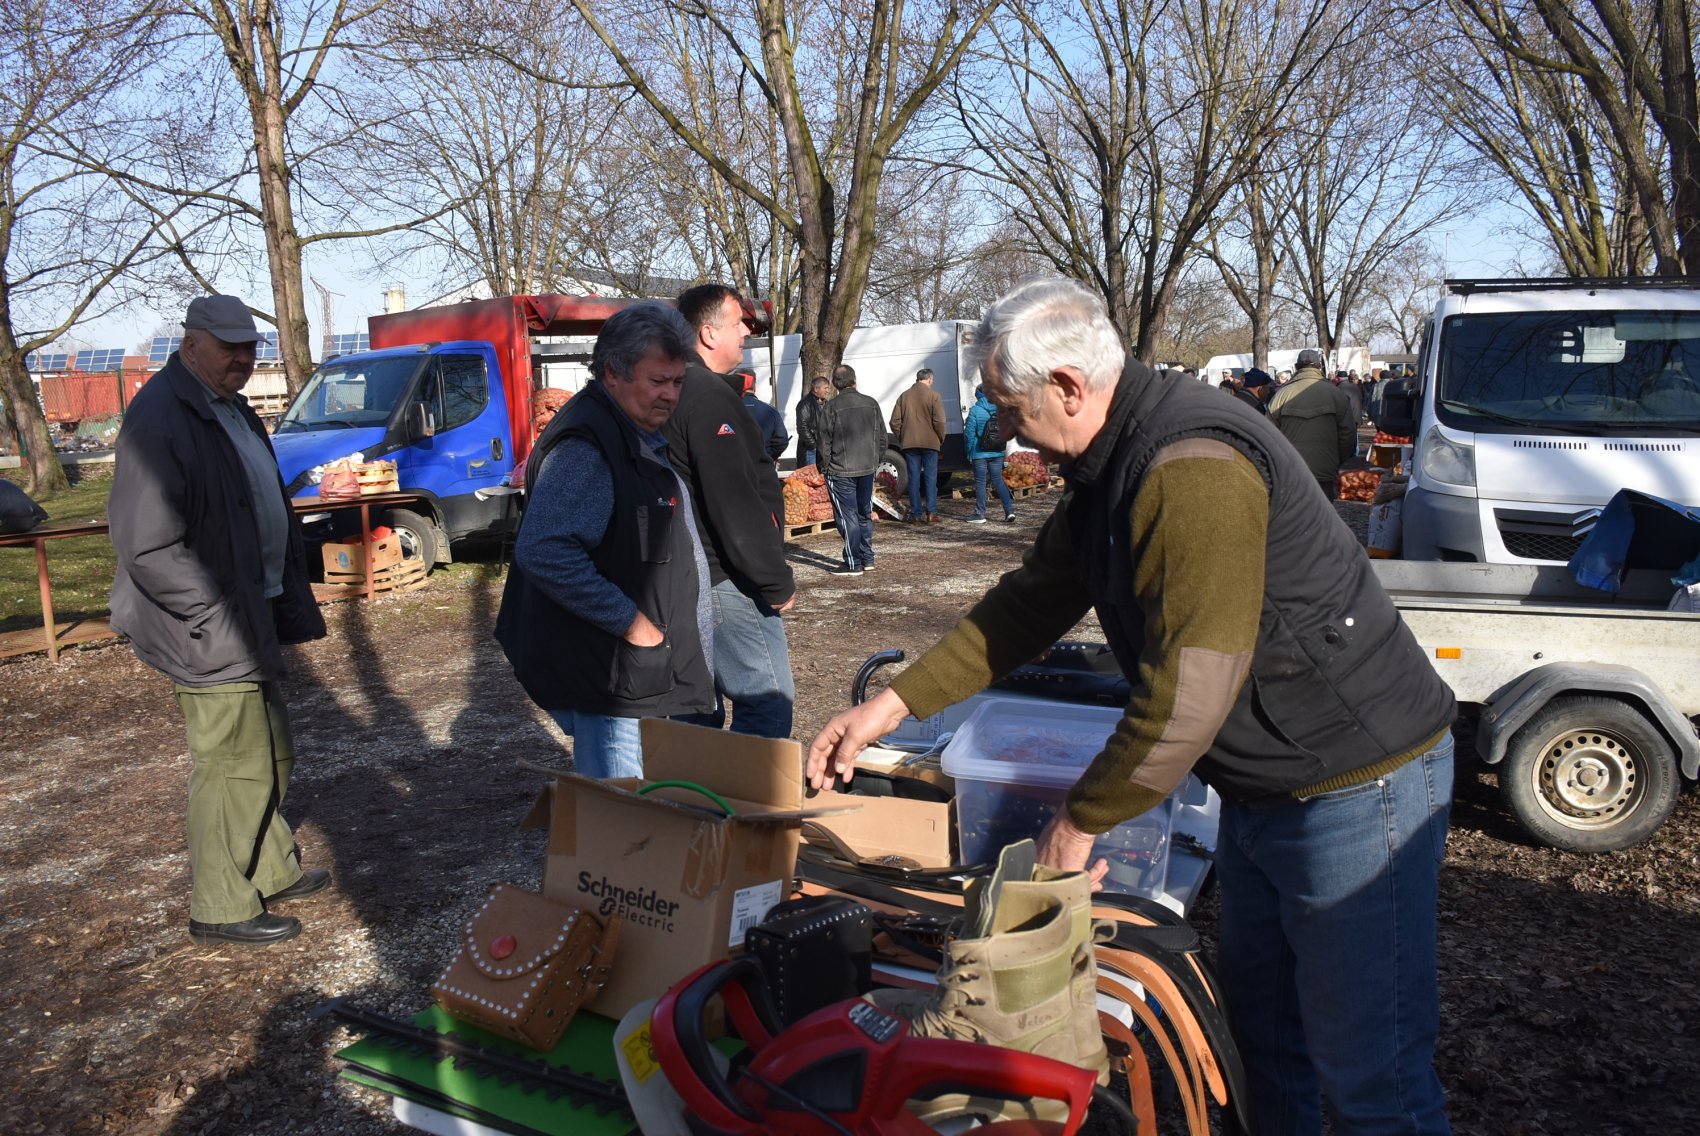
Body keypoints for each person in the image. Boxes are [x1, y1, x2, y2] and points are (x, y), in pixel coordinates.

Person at [806, 278, 1458, 1136]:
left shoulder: (1190, 471)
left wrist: (1075, 827)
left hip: (1353, 781)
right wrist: (891, 706)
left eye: (1009, 404)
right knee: (1268, 1038)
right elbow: (1028, 603)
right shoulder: (1108, 461)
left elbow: (1185, 700)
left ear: (1070, 387)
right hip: (1266, 785)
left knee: (1372, 1077)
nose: (1002, 426)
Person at [108, 295, 330, 948]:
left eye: (249, 347)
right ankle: (221, 903)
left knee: (272, 753)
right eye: (228, 346)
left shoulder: (227, 407)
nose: (241, 358)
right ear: (191, 344)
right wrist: (211, 615)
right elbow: (146, 545)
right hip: (204, 627)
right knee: (232, 764)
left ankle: (266, 869)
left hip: (245, 614)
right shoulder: (160, 418)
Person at [495, 302, 715, 776]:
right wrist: (636, 627)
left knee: (653, 814)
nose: (670, 396)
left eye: (677, 382)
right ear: (612, 374)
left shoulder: (629, 430)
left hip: (637, 673)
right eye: (658, 381)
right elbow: (546, 549)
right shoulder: (587, 447)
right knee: (625, 823)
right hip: (616, 678)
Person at [667, 285, 798, 738]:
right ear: (707, 333)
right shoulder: (704, 394)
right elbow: (733, 502)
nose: (746, 330)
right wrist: (773, 579)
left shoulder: (676, 388)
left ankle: (697, 806)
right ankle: (746, 808)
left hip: (689, 576)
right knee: (767, 702)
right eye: (738, 321)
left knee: (695, 715)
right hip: (726, 580)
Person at [816, 364, 887, 575]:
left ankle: (852, 562)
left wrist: (826, 466)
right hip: (865, 467)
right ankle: (867, 558)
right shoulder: (871, 403)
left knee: (848, 517)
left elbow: (823, 441)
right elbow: (882, 437)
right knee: (864, 513)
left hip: (841, 470)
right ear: (854, 380)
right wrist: (875, 460)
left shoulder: (831, 407)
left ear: (836, 384)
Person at [1269, 348, 1358, 497]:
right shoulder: (1336, 394)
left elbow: (1269, 434)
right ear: (1320, 367)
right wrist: (1337, 459)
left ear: (1297, 367)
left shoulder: (1281, 395)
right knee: (1323, 516)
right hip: (1325, 468)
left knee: (1294, 516)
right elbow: (1348, 434)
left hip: (1292, 469)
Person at [889, 367, 947, 523]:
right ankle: (931, 513)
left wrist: (903, 436)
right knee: (930, 477)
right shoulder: (934, 395)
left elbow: (894, 422)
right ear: (929, 380)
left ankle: (915, 514)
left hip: (910, 444)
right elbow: (940, 421)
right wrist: (940, 437)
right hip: (930, 443)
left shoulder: (904, 396)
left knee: (913, 479)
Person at [962, 384, 1015, 523]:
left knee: (980, 483)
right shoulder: (1001, 410)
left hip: (979, 453)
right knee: (998, 480)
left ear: (978, 395)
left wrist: (969, 451)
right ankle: (1009, 511)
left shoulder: (975, 410)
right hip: (997, 452)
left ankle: (980, 514)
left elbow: (969, 434)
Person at [728, 367, 791, 463]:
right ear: (754, 386)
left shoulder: (726, 409)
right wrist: (769, 456)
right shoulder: (770, 411)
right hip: (762, 466)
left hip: (735, 466)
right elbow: (781, 440)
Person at [796, 375, 832, 470]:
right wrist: (813, 445)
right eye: (826, 388)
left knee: (821, 479)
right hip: (810, 450)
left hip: (823, 449)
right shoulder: (805, 404)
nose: (828, 391)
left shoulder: (827, 404)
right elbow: (802, 427)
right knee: (810, 478)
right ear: (816, 389)